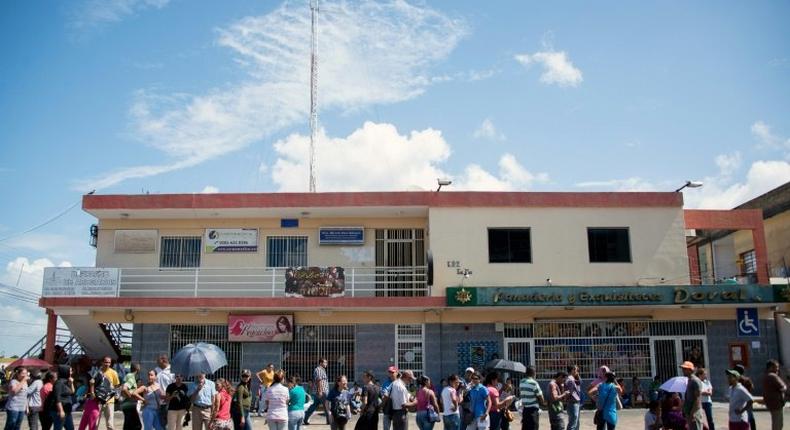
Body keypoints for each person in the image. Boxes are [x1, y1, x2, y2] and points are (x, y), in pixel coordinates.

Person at [762, 359, 786, 430]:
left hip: (771, 404)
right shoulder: (773, 376)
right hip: (777, 404)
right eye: (776, 367)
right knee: (778, 424)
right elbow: (783, 387)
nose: (778, 369)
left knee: (776, 423)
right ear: (771, 367)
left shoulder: (766, 376)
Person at [304, 359, 329, 425]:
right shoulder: (319, 369)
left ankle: (305, 418)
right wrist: (320, 391)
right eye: (325, 362)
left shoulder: (322, 370)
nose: (326, 363)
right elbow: (319, 380)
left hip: (321, 391)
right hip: (322, 391)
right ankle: (329, 421)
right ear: (321, 363)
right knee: (326, 406)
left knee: (314, 405)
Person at [98, 357, 121, 430]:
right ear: (102, 362)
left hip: (109, 401)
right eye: (105, 362)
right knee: (95, 422)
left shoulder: (113, 373)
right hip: (98, 401)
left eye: (109, 362)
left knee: (110, 424)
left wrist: (117, 395)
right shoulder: (98, 372)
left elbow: (117, 385)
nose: (107, 364)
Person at [680, 361, 704, 430]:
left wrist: (692, 414)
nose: (683, 370)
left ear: (690, 370)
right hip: (690, 412)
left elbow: (697, 400)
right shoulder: (689, 380)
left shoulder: (695, 381)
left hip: (694, 413)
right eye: (683, 369)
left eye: (685, 369)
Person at [733, 364, 756, 430]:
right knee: (750, 416)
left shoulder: (736, 381)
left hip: (740, 402)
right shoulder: (747, 379)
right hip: (747, 400)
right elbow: (752, 388)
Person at [52, 365, 75, 430]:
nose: (71, 373)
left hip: (67, 411)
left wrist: (71, 383)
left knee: (70, 428)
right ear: (65, 372)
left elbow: (72, 392)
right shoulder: (59, 383)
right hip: (60, 410)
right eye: (70, 371)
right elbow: (57, 397)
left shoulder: (66, 382)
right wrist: (61, 410)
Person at [120, 364, 143, 430]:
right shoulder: (131, 377)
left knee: (129, 424)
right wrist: (130, 397)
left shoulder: (128, 375)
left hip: (127, 403)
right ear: (138, 369)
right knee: (137, 425)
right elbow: (124, 388)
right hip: (129, 402)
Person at [155, 355, 174, 430]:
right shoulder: (156, 370)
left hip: (169, 401)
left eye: (158, 360)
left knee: (168, 423)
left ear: (163, 361)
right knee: (159, 423)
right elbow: (153, 383)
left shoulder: (172, 370)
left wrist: (168, 396)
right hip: (157, 401)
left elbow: (174, 385)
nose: (156, 362)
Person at [564, 365, 581, 430]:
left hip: (573, 402)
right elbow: (570, 392)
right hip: (573, 402)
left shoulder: (572, 379)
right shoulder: (570, 380)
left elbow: (579, 382)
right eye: (576, 370)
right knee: (573, 423)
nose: (577, 372)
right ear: (572, 370)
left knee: (574, 422)